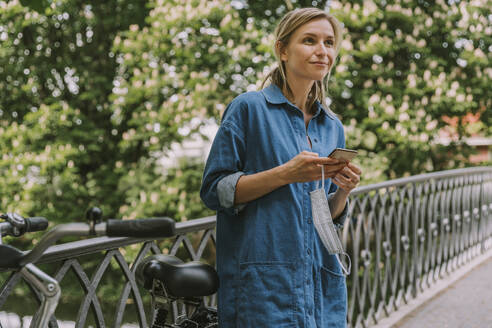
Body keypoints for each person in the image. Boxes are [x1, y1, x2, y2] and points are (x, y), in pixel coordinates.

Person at [200, 7, 361, 328]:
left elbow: (322, 216)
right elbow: (214, 191)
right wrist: (286, 174)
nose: (322, 51)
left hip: (319, 279)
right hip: (264, 286)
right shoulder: (248, 109)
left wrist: (342, 191)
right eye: (310, 40)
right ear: (282, 50)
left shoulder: (332, 126)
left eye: (329, 43)